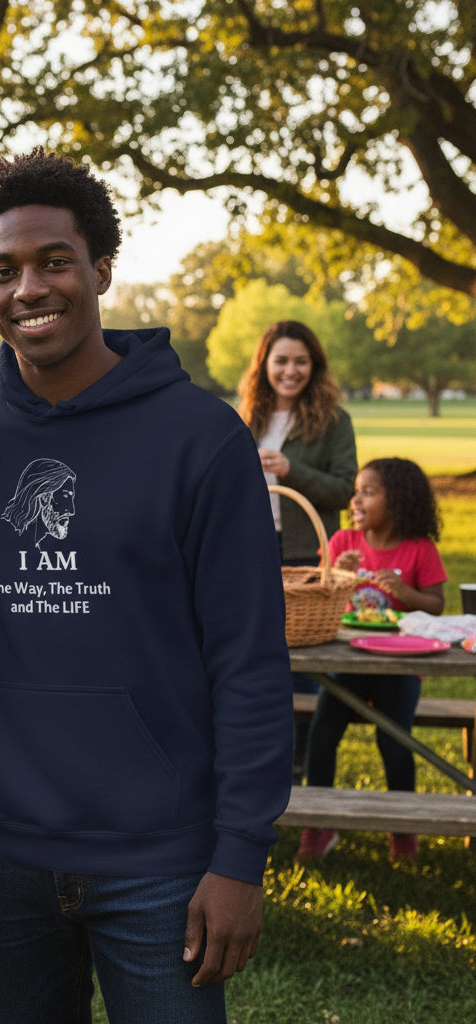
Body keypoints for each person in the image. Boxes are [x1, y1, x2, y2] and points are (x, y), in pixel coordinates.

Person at [0, 148, 292, 1024]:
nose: (28, 288)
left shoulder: (201, 439)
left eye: (54, 260)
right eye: (1, 270)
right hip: (5, 851)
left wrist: (239, 855)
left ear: (101, 269)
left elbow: (249, 662)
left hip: (161, 858)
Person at [297, 458, 446, 864]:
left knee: (394, 743)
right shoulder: (344, 541)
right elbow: (314, 590)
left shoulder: (419, 548)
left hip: (398, 667)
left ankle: (403, 830)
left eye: (368, 491)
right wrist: (334, 575)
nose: (356, 498)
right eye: (356, 490)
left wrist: (406, 592)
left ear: (397, 501)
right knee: (322, 737)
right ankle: (318, 826)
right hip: (347, 661)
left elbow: (436, 606)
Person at [237, 321, 358, 780]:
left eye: (301, 361)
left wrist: (291, 469)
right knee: (256, 657)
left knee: (303, 661)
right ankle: (265, 759)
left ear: (315, 365)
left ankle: (304, 760)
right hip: (250, 548)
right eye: (281, 360)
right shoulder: (246, 416)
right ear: (265, 364)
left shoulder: (333, 421)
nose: (291, 370)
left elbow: (345, 489)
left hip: (306, 553)